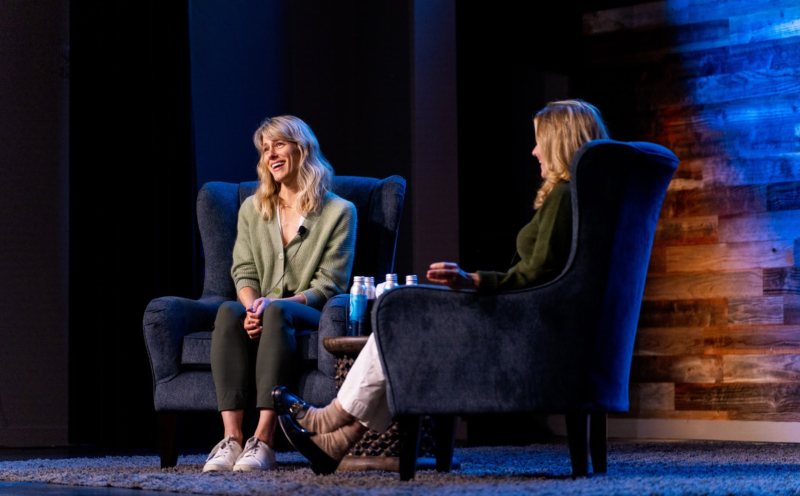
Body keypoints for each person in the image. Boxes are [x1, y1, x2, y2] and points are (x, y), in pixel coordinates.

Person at [272, 99, 610, 475]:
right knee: (404, 329)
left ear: (561, 142)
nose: (533, 151)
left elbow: (537, 274)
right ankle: (339, 437)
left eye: (540, 141)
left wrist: (473, 281)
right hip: (535, 322)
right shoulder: (585, 200)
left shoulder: (563, 197)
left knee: (401, 317)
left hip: (523, 329)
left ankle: (330, 419)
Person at [202, 115, 357, 472]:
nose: (271, 154)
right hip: (264, 306)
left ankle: (265, 439)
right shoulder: (253, 208)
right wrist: (252, 307)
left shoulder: (339, 212)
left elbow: (328, 285)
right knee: (228, 311)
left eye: (279, 145)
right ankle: (232, 439)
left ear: (301, 149)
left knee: (276, 313)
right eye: (265, 148)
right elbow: (243, 270)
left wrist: (273, 305)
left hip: (307, 310)